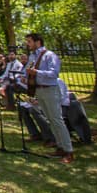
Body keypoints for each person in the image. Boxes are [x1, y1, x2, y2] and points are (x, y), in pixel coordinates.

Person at [24, 33, 73, 163]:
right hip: (38, 90)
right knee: (50, 119)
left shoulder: (49, 55)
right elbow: (27, 71)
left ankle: (69, 151)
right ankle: (60, 146)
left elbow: (54, 73)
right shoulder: (32, 56)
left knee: (57, 120)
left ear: (38, 42)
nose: (27, 44)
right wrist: (25, 77)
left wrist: (36, 72)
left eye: (29, 41)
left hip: (50, 89)